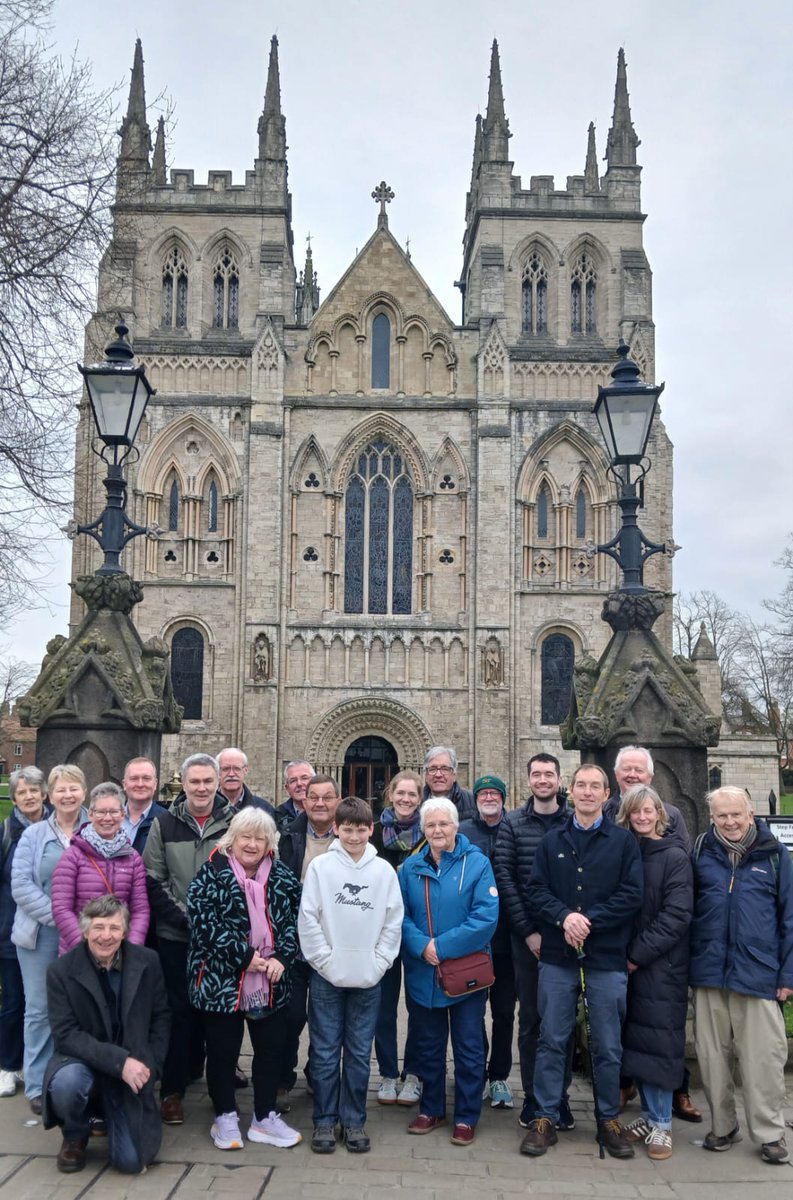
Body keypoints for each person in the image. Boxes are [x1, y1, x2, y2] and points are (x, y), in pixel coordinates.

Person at [521, 763, 643, 1160]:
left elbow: (632, 894)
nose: (587, 792)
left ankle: (608, 1118)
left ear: (607, 794)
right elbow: (535, 889)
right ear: (569, 791)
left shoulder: (623, 843)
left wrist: (589, 922)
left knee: (607, 1043)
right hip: (558, 955)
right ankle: (545, 1117)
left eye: (595, 786)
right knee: (552, 1038)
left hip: (606, 956)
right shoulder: (551, 839)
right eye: (580, 785)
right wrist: (564, 917)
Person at [187, 808, 303, 1150]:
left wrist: (282, 957)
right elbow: (202, 923)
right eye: (245, 837)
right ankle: (224, 1115)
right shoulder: (212, 874)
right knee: (223, 1050)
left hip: (270, 980)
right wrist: (244, 956)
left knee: (271, 1049)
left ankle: (264, 1117)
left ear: (270, 842)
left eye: (259, 838)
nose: (252, 844)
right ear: (232, 839)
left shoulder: (282, 877)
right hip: (221, 980)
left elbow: (294, 922)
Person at [690, 786, 793, 1165]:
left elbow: (790, 918)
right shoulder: (701, 851)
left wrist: (788, 974)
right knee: (712, 1059)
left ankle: (769, 1133)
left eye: (736, 814)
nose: (730, 822)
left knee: (762, 1060)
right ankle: (722, 1126)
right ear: (712, 818)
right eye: (722, 816)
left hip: (758, 972)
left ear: (751, 814)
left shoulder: (775, 855)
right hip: (709, 971)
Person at [299, 796, 403, 1154]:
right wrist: (323, 961)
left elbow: (393, 921)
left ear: (371, 830)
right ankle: (325, 1121)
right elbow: (308, 918)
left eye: (361, 829)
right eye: (347, 829)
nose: (354, 836)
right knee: (326, 1053)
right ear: (337, 829)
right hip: (327, 977)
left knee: (359, 1054)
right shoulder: (321, 868)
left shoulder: (383, 872)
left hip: (368, 980)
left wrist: (378, 964)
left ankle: (354, 1120)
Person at [603, 745, 700, 1122]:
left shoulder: (672, 823)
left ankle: (674, 1095)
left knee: (660, 1026)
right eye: (625, 769)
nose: (631, 775)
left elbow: (679, 894)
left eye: (637, 770)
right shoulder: (609, 818)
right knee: (627, 1023)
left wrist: (638, 951)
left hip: (655, 951)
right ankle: (628, 1088)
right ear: (616, 775)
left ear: (651, 776)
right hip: (619, 944)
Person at [43, 896, 170, 1175]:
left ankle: (108, 1117)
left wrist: (153, 1065)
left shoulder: (148, 962)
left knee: (131, 1162)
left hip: (132, 1065)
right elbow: (65, 1035)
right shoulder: (60, 972)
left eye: (114, 928)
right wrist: (120, 1062)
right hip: (82, 1063)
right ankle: (75, 1133)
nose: (106, 936)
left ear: (125, 932)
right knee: (67, 1083)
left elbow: (161, 1017)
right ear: (85, 931)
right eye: (98, 928)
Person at [399, 796, 499, 1147]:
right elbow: (400, 915)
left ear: (457, 826)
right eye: (431, 825)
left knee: (469, 1047)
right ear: (422, 829)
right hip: (424, 972)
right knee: (429, 1047)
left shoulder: (477, 863)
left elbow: (485, 918)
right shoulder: (409, 868)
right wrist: (419, 945)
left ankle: (467, 1115)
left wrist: (440, 947)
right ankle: (432, 1108)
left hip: (464, 974)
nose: (438, 830)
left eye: (444, 824)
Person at [142, 752, 232, 1126]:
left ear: (217, 783)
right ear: (184, 783)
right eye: (194, 781)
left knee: (218, 1014)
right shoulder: (164, 824)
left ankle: (220, 1092)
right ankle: (172, 1092)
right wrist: (188, 919)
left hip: (221, 939)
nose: (201, 788)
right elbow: (152, 879)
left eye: (207, 781)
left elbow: (245, 876)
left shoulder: (233, 823)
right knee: (177, 1012)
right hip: (176, 936)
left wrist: (215, 924)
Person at [493, 752, 572, 1129]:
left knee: (563, 1020)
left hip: (568, 937)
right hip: (526, 938)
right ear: (528, 781)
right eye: (536, 774)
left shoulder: (574, 821)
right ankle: (533, 1097)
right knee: (531, 1021)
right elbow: (505, 878)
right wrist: (528, 931)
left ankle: (561, 1096)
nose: (543, 780)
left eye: (549, 774)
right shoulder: (511, 823)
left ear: (558, 779)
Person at [616, 784, 693, 1160]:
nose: (642, 818)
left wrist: (636, 955)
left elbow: (676, 916)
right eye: (635, 812)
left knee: (660, 1044)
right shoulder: (627, 851)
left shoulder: (675, 855)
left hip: (662, 967)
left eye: (649, 811)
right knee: (639, 1044)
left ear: (660, 814)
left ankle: (662, 1124)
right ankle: (648, 1115)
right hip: (629, 963)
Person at [11, 764, 89, 1114]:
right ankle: (38, 1083)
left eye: (73, 788)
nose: (67, 795)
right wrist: (61, 917)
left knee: (83, 1008)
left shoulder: (96, 827)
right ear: (49, 795)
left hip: (89, 937)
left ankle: (77, 1078)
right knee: (40, 1010)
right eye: (60, 789)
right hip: (41, 935)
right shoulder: (34, 835)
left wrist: (87, 924)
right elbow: (21, 885)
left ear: (83, 792)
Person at [277, 773, 340, 1098]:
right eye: (313, 797)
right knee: (291, 1015)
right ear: (303, 800)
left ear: (337, 802)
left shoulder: (349, 838)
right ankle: (282, 1078)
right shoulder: (287, 836)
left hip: (332, 944)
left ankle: (319, 1075)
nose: (319, 803)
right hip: (294, 943)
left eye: (327, 798)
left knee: (326, 1017)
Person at [459, 775, 517, 1110]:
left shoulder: (514, 827)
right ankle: (476, 1073)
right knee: (473, 1011)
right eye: (484, 793)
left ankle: (500, 1076)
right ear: (476, 798)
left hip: (508, 938)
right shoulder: (465, 831)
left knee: (505, 1012)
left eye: (496, 792)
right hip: (474, 941)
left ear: (504, 797)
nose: (490, 798)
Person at [370, 769, 425, 1107]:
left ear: (421, 799)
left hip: (418, 930)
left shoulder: (431, 831)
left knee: (419, 1005)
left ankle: (415, 1073)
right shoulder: (373, 833)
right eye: (400, 793)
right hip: (382, 930)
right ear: (390, 794)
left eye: (412, 795)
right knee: (383, 1006)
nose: (406, 799)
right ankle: (389, 1073)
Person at [51, 782, 149, 954]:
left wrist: (131, 949)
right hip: (79, 951)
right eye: (101, 812)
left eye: (113, 812)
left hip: (119, 951)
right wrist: (86, 948)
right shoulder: (72, 856)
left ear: (122, 815)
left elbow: (140, 910)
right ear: (90, 814)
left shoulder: (133, 859)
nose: (107, 818)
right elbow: (61, 908)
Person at [0, 767, 49, 1099]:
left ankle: (40, 1066)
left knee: (44, 1003)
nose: (29, 796)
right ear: (14, 797)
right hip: (11, 930)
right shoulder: (6, 832)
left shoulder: (57, 826)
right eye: (22, 792)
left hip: (49, 932)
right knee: (15, 999)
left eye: (34, 790)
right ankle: (7, 1064)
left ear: (44, 793)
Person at [121, 759, 168, 855]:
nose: (140, 784)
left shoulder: (167, 821)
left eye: (146, 778)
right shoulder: (108, 818)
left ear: (155, 784)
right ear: (124, 784)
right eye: (134, 778)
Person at [217, 747, 277, 819]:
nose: (231, 774)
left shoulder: (264, 809)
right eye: (225, 769)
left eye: (237, 768)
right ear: (217, 771)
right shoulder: (205, 807)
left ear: (245, 771)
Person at [422, 747, 475, 820]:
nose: (438, 775)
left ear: (454, 774)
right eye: (432, 769)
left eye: (445, 769)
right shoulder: (416, 803)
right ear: (426, 775)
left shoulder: (473, 801)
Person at [277, 760, 315, 831]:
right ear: (287, 788)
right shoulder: (277, 816)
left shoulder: (328, 812)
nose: (299, 784)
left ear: (314, 781)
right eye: (293, 780)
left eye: (304, 778)